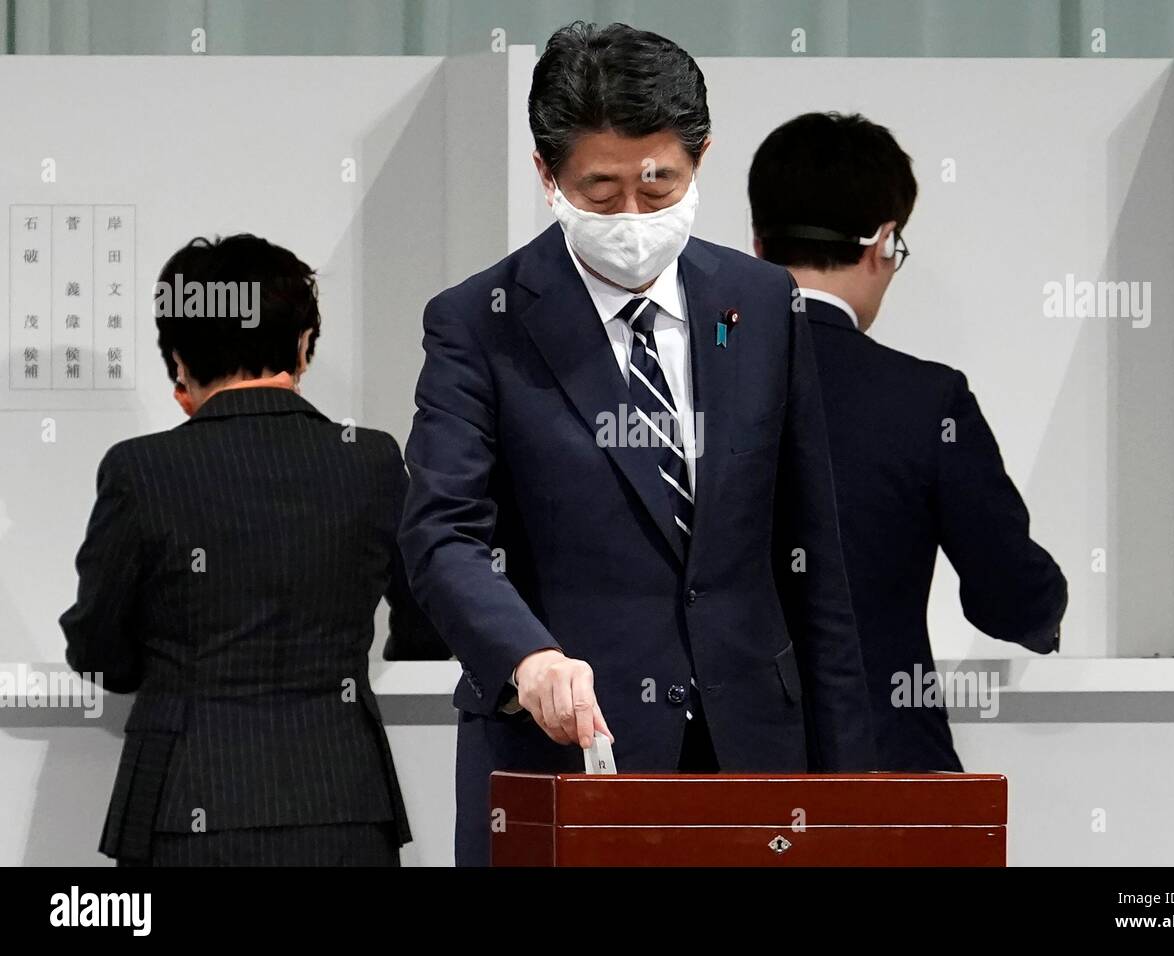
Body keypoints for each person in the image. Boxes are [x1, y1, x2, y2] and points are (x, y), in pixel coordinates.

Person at [396, 22, 875, 866]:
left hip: (751, 753)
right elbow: (441, 534)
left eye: (659, 189)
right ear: (547, 175)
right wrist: (528, 658)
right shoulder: (481, 322)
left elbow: (813, 560)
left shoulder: (762, 303)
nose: (631, 218)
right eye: (600, 191)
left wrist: (847, 796)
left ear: (701, 160)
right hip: (565, 756)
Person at [60, 233, 446, 866]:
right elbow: (430, 624)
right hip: (343, 804)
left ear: (178, 356)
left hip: (184, 802)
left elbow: (98, 648)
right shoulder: (370, 460)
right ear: (301, 343)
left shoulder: (141, 469)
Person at [749, 112, 1068, 772]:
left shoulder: (682, 387)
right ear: (884, 242)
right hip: (884, 772)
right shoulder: (926, 401)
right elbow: (1009, 591)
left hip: (710, 785)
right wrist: (1045, 615)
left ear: (757, 243)